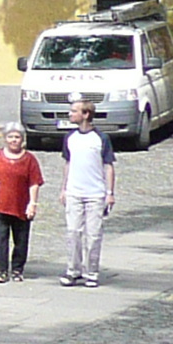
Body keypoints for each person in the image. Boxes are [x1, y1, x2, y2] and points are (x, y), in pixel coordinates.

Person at [59, 100, 115, 286]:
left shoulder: (100, 138)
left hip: (95, 194)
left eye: (74, 111)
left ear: (86, 114)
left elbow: (108, 166)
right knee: (73, 232)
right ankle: (72, 270)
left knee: (93, 235)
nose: (70, 114)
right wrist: (64, 188)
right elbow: (68, 163)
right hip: (74, 192)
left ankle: (91, 272)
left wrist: (109, 192)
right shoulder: (70, 137)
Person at [0, 122, 42, 283]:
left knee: (21, 240)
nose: (14, 140)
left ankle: (17, 269)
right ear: (5, 138)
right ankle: (2, 270)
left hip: (21, 206)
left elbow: (35, 183)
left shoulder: (29, 159)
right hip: (0, 204)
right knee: (1, 239)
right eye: (10, 137)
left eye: (17, 137)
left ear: (22, 139)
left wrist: (33, 204)